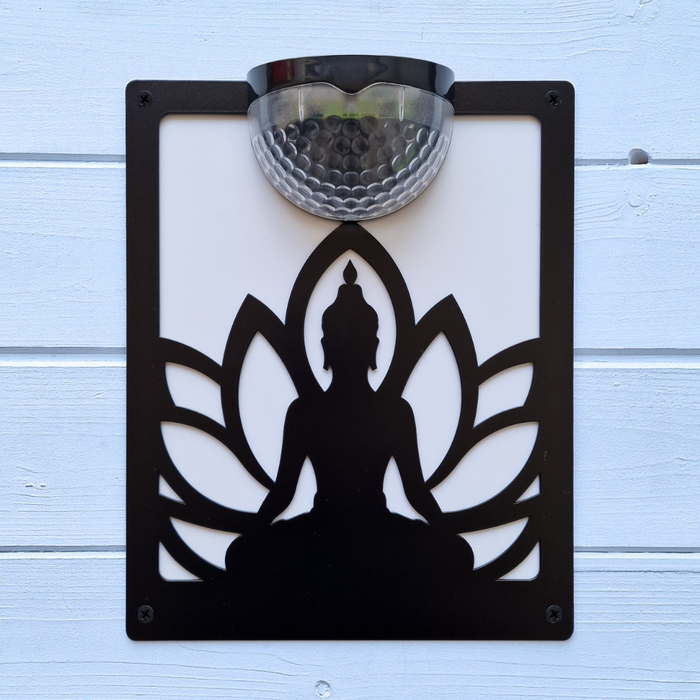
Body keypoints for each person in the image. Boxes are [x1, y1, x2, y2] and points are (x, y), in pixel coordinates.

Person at [225, 262, 473, 633]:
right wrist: (446, 537)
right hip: (357, 536)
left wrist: (252, 538)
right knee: (453, 556)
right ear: (372, 347)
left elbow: (414, 492)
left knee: (246, 557)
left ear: (328, 347)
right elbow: (284, 493)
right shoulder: (316, 411)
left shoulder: (374, 411)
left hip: (335, 538)